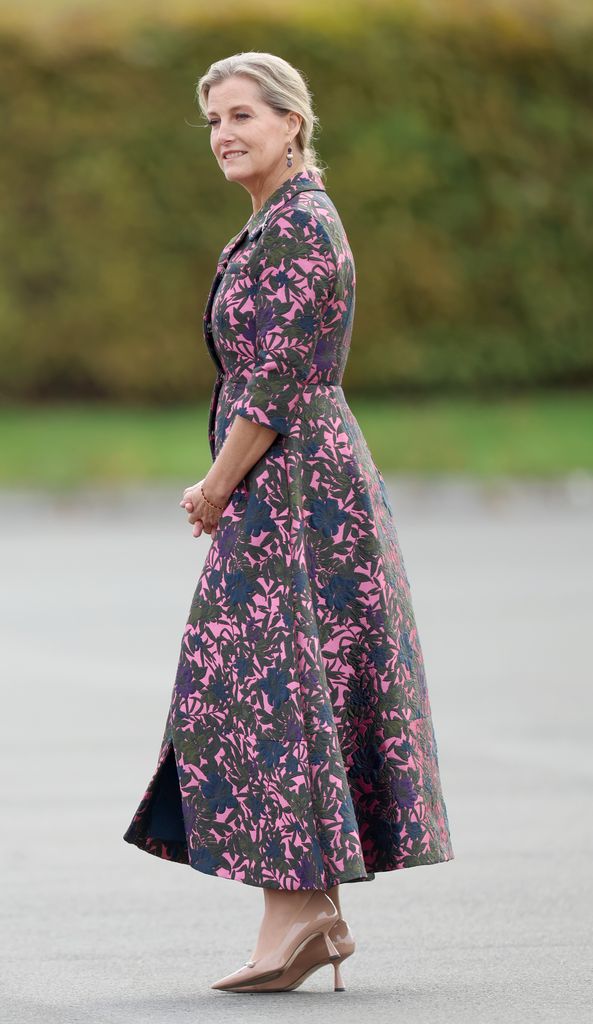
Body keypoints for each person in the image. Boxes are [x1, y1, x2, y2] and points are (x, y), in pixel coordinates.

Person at [123, 51, 454, 994]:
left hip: (296, 494)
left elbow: (274, 383)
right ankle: (301, 913)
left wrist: (217, 486)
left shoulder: (301, 225)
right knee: (274, 692)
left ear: (292, 124)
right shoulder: (275, 221)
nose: (225, 133)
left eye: (243, 115)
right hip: (287, 488)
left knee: (272, 692)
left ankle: (301, 911)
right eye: (214, 120)